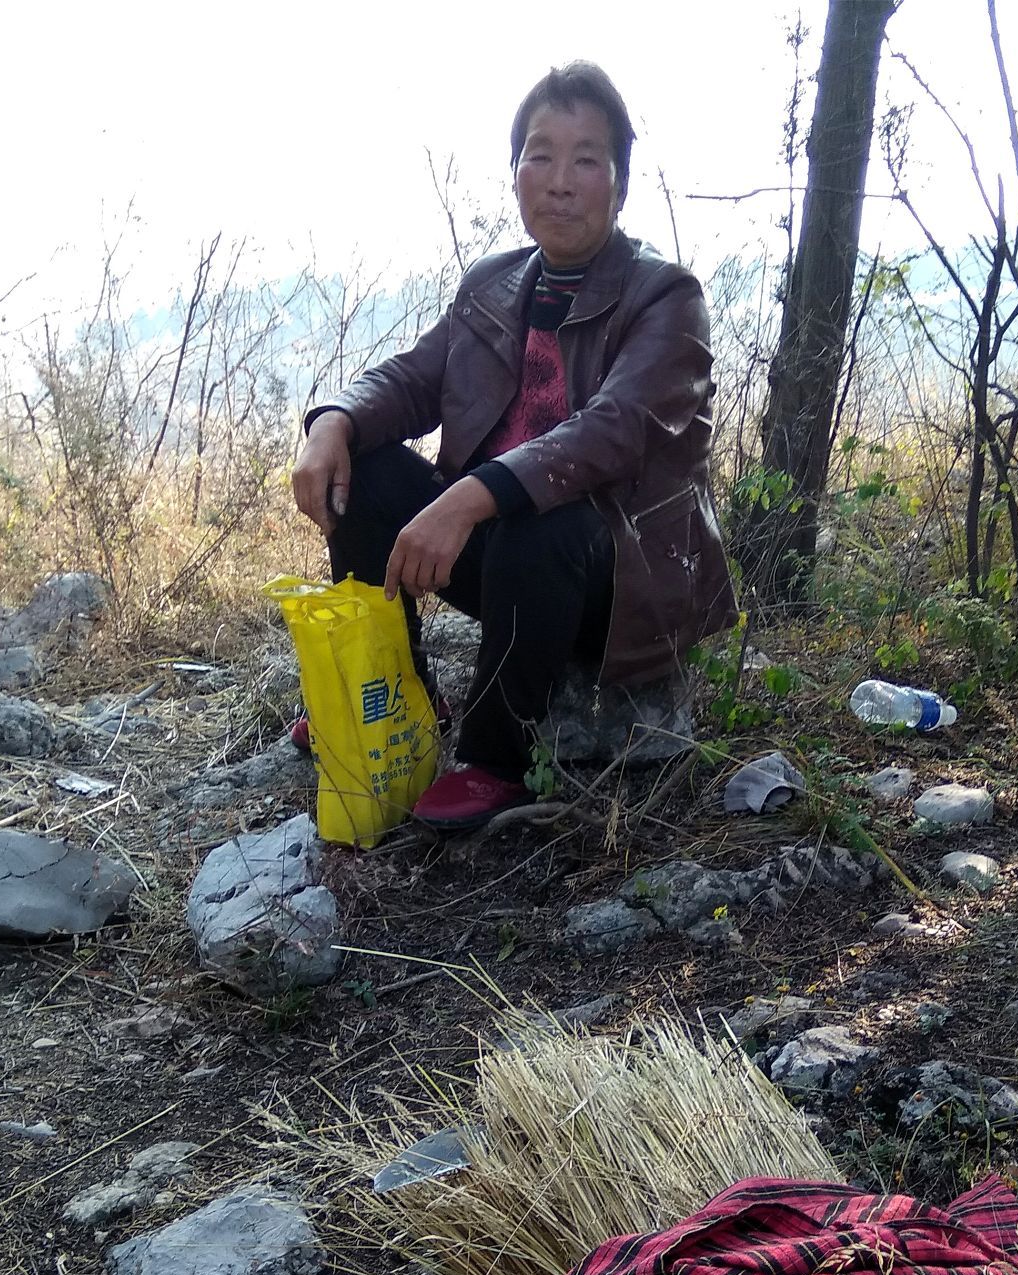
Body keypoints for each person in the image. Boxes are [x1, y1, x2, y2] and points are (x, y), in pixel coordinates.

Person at [289, 60, 735, 832]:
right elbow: (412, 379)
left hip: (613, 579)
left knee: (543, 519)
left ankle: (496, 762)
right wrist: (332, 419)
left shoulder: (665, 297)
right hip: (500, 558)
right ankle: (401, 692)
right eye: (540, 154)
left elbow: (613, 429)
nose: (560, 180)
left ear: (617, 186)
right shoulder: (494, 284)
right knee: (362, 469)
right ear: (516, 173)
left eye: (586, 159)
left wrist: (467, 497)